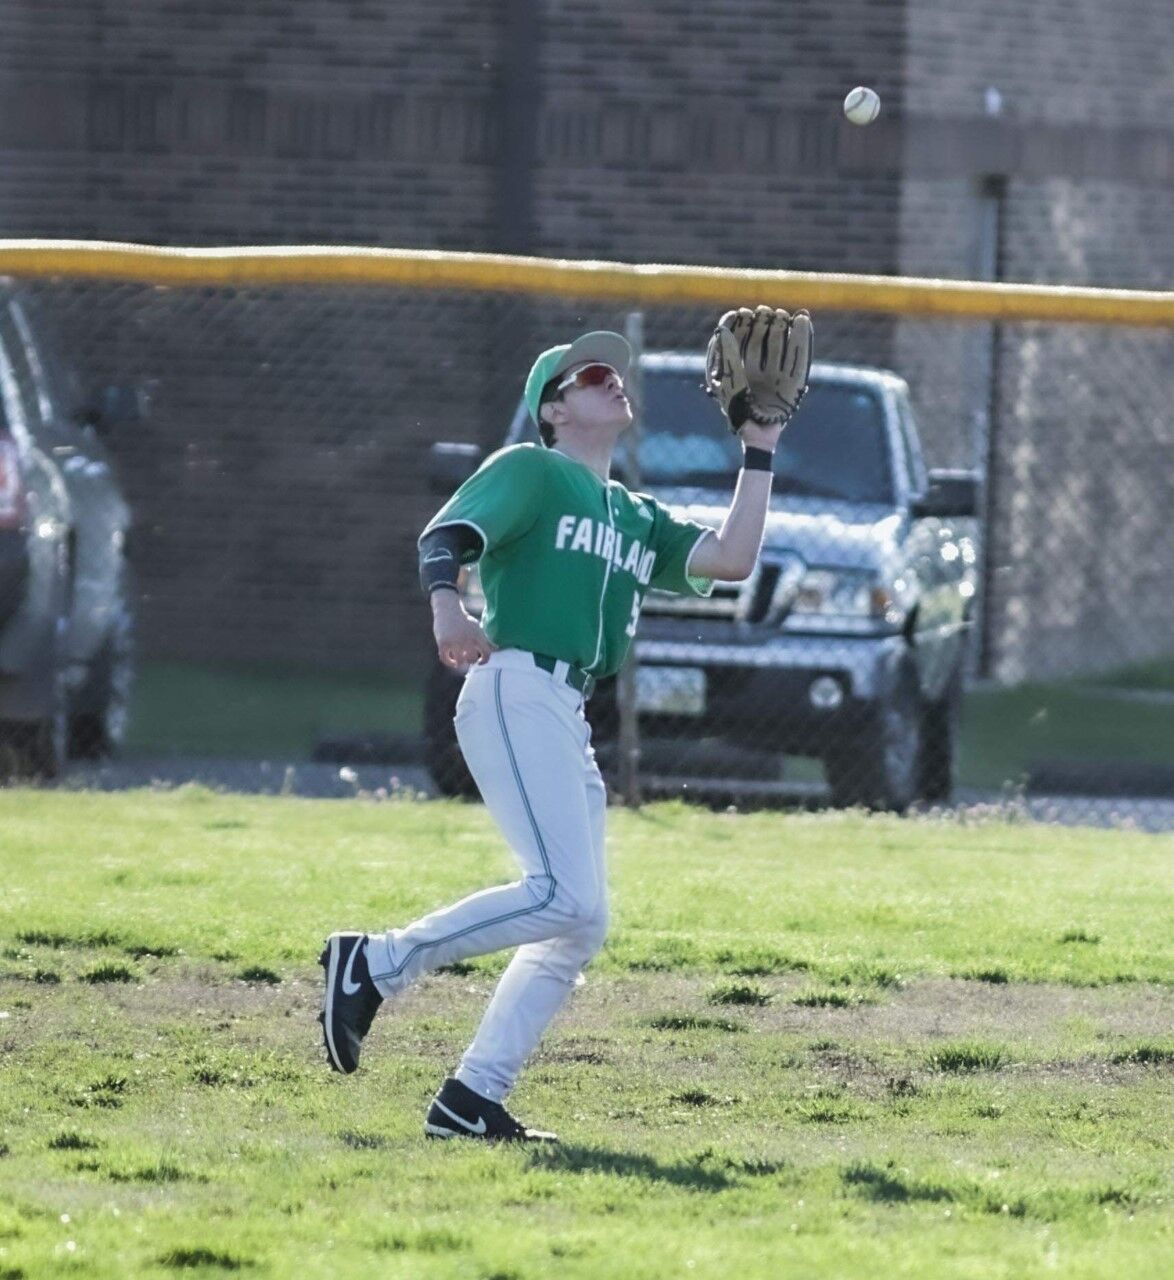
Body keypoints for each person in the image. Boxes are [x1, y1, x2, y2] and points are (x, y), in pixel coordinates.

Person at [319, 310, 812, 1143]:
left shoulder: (631, 514)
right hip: (514, 686)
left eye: (612, 373)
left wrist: (758, 444)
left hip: (564, 707)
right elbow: (444, 536)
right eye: (587, 376)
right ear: (552, 410)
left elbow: (731, 558)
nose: (609, 378)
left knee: (578, 923)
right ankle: (374, 962)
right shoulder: (534, 472)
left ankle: (470, 1100)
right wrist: (449, 611)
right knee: (563, 893)